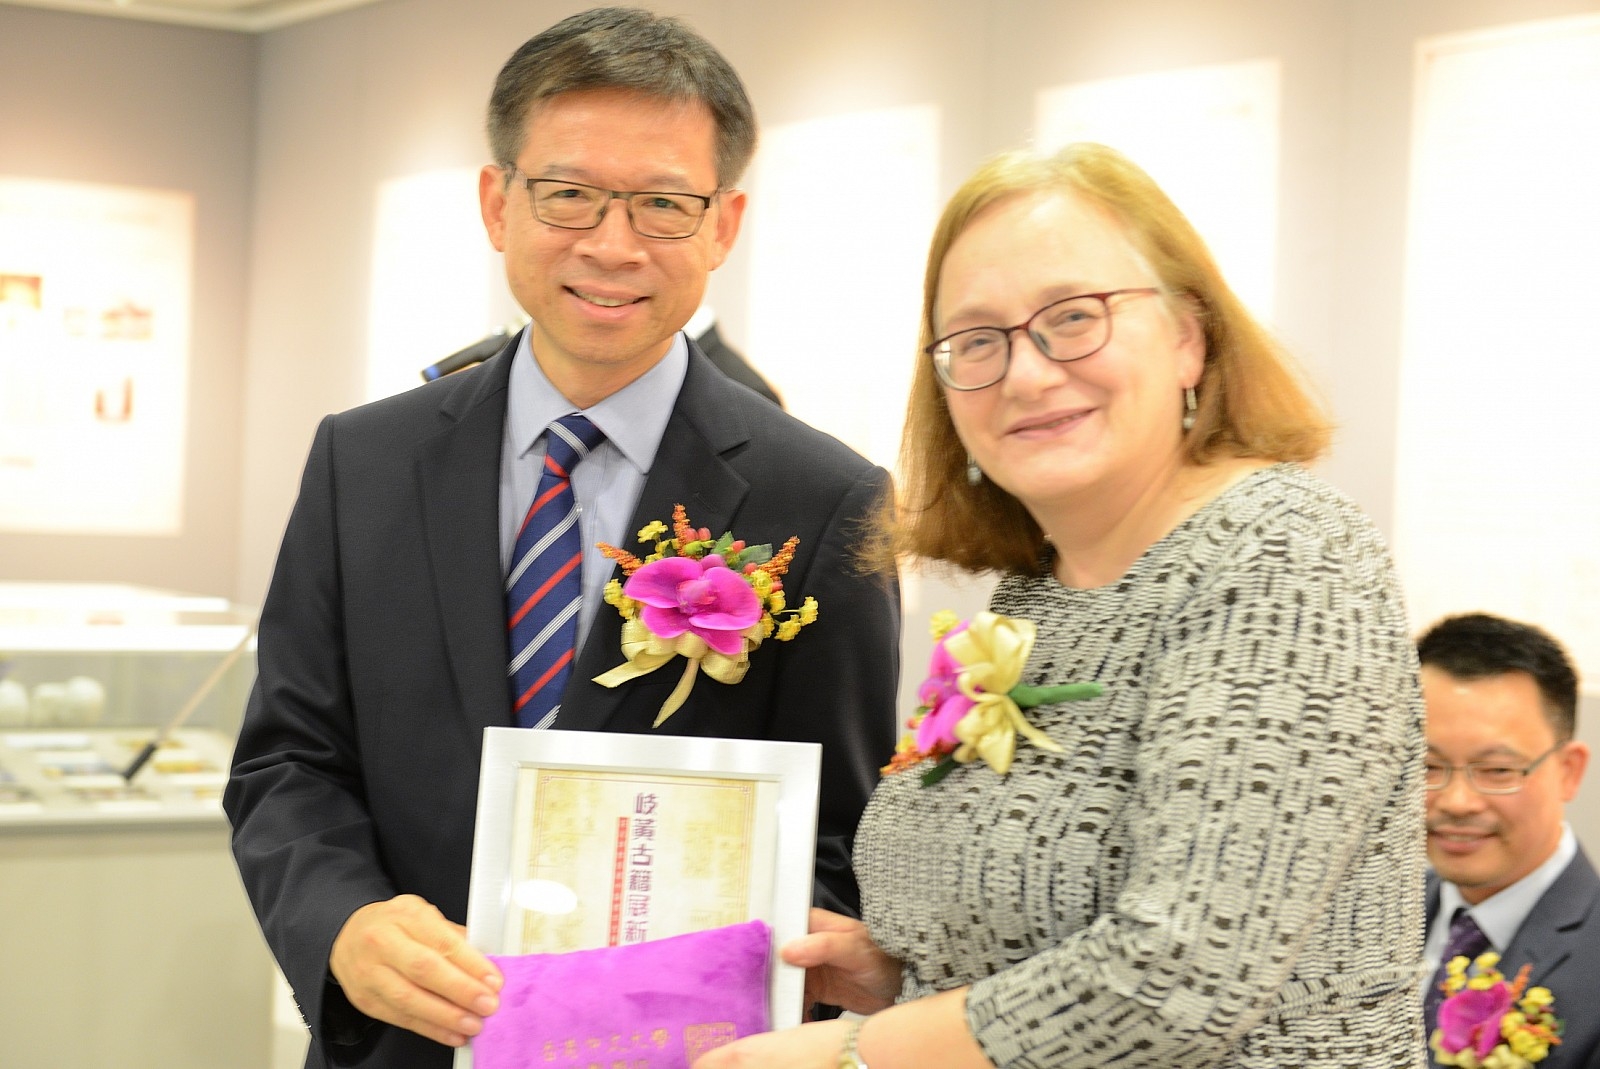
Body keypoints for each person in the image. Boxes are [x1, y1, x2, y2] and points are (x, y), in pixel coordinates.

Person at [223, 8, 900, 1066]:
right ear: (498, 204)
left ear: (723, 225)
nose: (612, 245)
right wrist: (342, 924)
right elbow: (287, 759)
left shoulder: (823, 499)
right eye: (569, 193)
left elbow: (841, 832)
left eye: (663, 203)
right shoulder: (364, 461)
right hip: (398, 1045)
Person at [698, 141, 1428, 1069]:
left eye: (1073, 317)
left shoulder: (1284, 557)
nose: (1028, 373)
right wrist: (900, 977)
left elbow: (1178, 980)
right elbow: (1053, 927)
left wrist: (861, 1053)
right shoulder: (1038, 589)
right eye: (977, 339)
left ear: (1189, 336)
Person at [1417, 613, 1598, 1067]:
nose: (1457, 802)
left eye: (1497, 770)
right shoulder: (1372, 919)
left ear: (1568, 771)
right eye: (1428, 766)